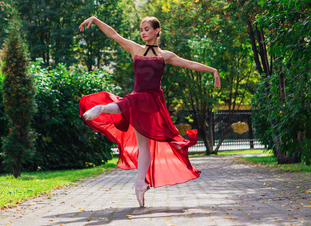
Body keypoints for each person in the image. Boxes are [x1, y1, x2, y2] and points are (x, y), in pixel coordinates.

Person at [78, 16, 221, 207]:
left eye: (147, 29)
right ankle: (140, 185)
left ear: (156, 31)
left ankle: (104, 108)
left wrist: (213, 70)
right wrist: (95, 20)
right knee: (143, 142)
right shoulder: (135, 49)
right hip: (139, 100)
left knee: (139, 124)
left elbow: (190, 64)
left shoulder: (165, 55)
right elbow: (114, 35)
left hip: (152, 103)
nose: (143, 32)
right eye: (141, 29)